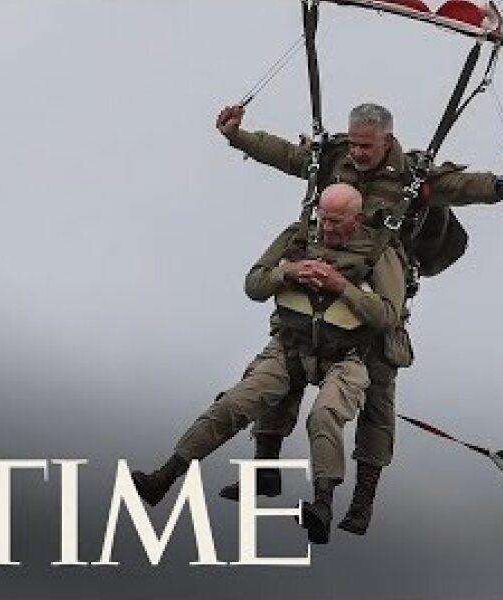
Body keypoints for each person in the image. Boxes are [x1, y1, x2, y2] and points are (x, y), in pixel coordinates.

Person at [214, 102, 503, 535]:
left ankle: (362, 501)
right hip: (320, 291)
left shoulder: (414, 176)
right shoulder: (334, 157)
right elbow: (288, 156)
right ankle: (264, 470)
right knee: (282, 368)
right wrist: (239, 136)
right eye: (355, 143)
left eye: (367, 145)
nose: (358, 153)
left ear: (387, 140)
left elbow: (463, 187)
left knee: (377, 401)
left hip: (378, 301)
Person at [131, 183, 405, 545]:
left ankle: (323, 503)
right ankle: (164, 478)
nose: (329, 230)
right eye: (325, 220)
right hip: (290, 347)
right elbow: (254, 284)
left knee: (324, 416)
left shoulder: (380, 251)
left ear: (357, 219)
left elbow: (388, 316)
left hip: (347, 356)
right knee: (234, 403)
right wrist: (287, 273)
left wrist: (343, 287)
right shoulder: (298, 236)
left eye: (338, 223)